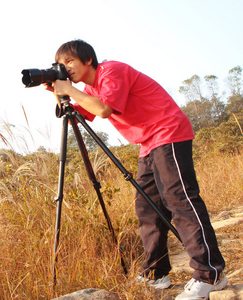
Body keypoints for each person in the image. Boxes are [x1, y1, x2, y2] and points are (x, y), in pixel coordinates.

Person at [45, 39, 227, 300]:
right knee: (147, 208)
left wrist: (71, 90)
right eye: (60, 64)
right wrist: (58, 91)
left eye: (69, 61)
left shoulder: (111, 71)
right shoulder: (88, 87)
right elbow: (78, 113)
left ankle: (210, 274)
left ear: (88, 60)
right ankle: (156, 273)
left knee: (180, 201)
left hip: (168, 132)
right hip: (148, 144)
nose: (66, 67)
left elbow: (104, 109)